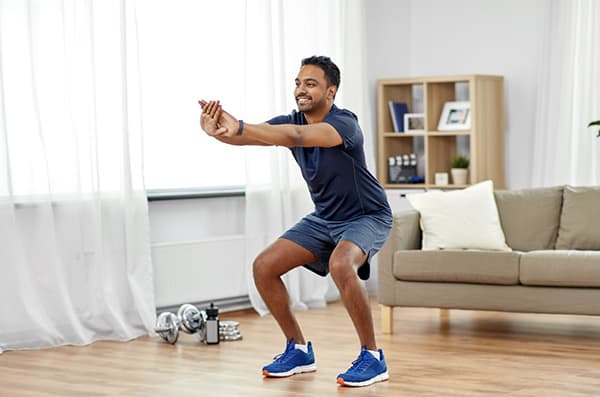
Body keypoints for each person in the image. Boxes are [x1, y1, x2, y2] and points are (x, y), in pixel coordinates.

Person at [198, 55, 392, 387]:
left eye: (310, 84)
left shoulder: (344, 124)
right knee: (264, 266)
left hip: (366, 216)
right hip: (325, 219)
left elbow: (296, 136)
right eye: (298, 83)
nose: (301, 90)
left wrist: (241, 126)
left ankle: (372, 357)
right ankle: (298, 349)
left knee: (341, 264)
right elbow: (255, 136)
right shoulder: (291, 120)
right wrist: (218, 132)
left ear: (330, 91)